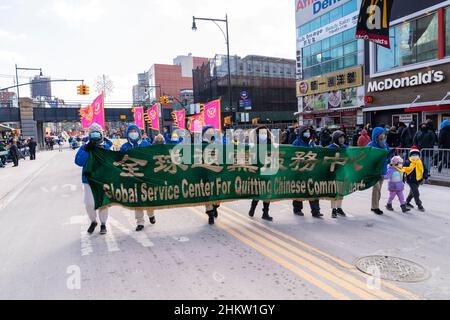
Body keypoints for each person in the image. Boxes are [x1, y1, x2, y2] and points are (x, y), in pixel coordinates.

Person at [75, 124, 112, 235]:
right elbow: (78, 162)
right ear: (89, 135)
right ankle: (93, 221)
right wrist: (86, 150)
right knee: (89, 203)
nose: (95, 136)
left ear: (101, 134)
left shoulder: (106, 147)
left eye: (97, 133)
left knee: (103, 203)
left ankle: (103, 224)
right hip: (88, 180)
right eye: (93, 133)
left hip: (102, 179)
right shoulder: (85, 147)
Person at [120, 125, 155, 232]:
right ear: (127, 134)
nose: (133, 133)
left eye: (135, 131)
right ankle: (140, 222)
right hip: (133, 176)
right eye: (131, 131)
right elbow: (120, 161)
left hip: (146, 176)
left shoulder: (145, 143)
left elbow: (153, 156)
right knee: (137, 200)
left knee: (148, 197)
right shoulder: (124, 147)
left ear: (139, 132)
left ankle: (151, 214)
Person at [292, 125, 322, 218]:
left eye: (308, 132)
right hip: (300, 171)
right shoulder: (296, 142)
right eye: (305, 132)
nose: (307, 133)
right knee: (299, 190)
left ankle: (315, 211)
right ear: (301, 133)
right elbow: (292, 155)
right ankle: (297, 209)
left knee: (313, 190)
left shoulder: (312, 143)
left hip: (311, 171)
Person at [248, 126, 274, 222]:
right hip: (258, 169)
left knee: (267, 191)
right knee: (259, 190)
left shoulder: (269, 141)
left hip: (267, 168)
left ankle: (265, 212)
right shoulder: (254, 143)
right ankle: (253, 208)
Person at [368, 127, 391, 215]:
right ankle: (375, 207)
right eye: (381, 134)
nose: (383, 136)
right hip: (374, 170)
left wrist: (390, 154)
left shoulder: (385, 145)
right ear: (376, 135)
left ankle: (375, 206)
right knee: (376, 188)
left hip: (382, 170)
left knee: (378, 190)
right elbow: (367, 156)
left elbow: (387, 155)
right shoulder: (371, 144)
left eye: (384, 134)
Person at [328, 131, 348, 218]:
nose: (342, 139)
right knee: (334, 191)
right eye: (340, 138)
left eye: (343, 138)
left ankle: (339, 208)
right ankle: (333, 209)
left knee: (341, 191)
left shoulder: (345, 147)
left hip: (343, 172)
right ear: (335, 138)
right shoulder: (330, 148)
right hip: (333, 173)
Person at [404, 146, 425, 212]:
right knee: (416, 193)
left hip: (418, 180)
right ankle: (419, 205)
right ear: (410, 155)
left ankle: (407, 202)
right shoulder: (408, 162)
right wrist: (402, 177)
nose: (415, 156)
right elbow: (403, 169)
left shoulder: (420, 162)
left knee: (412, 192)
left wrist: (425, 177)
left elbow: (425, 170)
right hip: (411, 180)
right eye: (413, 155)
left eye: (416, 155)